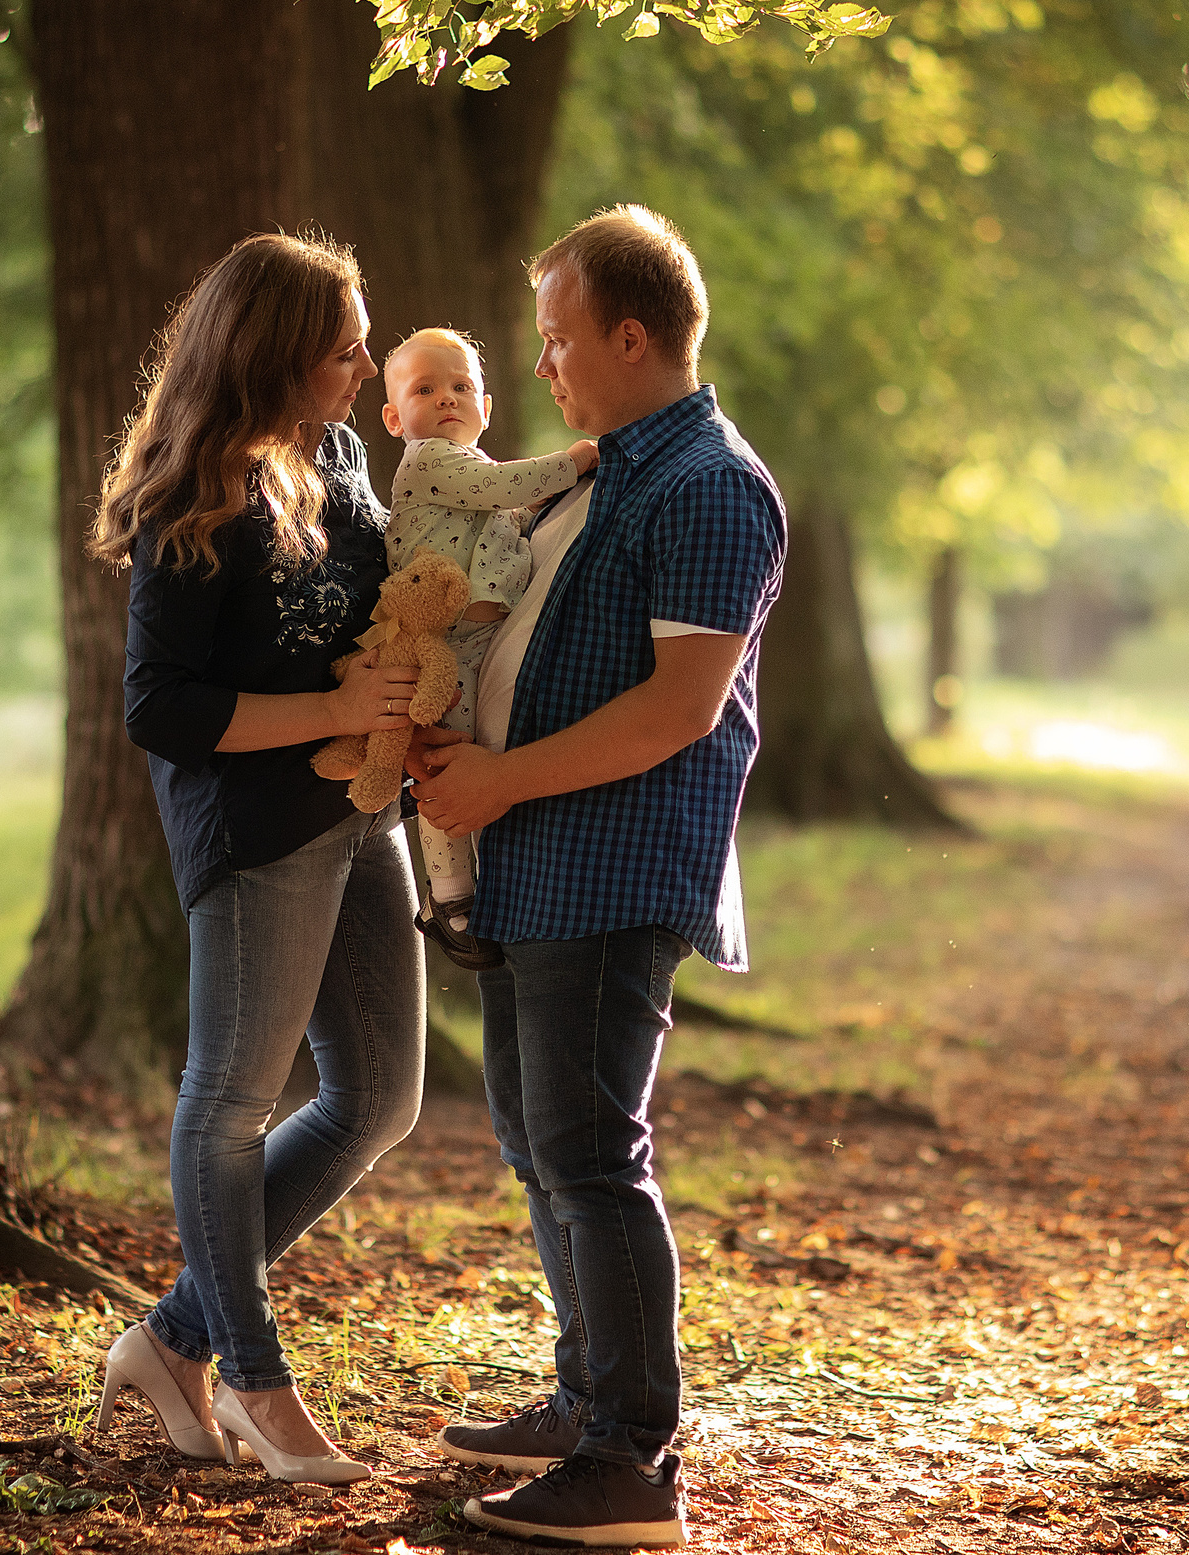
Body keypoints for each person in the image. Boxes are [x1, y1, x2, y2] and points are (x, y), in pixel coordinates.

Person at [410, 206, 787, 1548]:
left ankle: (632, 1458)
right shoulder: (612, 469)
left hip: (611, 869)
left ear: (635, 338)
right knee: (536, 1134)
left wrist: (503, 777)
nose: (547, 364)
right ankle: (585, 1401)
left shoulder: (708, 486)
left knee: (588, 1144)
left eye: (562, 340)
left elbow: (681, 707)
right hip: (533, 858)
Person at [86, 230, 424, 1487]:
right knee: (231, 1100)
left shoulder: (334, 451)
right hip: (255, 838)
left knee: (378, 1097)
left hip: (357, 818)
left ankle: (172, 1341)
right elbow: (159, 708)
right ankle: (254, 1379)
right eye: (344, 346)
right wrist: (336, 713)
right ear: (277, 355)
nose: (364, 361)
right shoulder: (195, 492)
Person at [376, 326, 598, 968]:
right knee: (443, 760)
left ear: (486, 406)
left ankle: (484, 879)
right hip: (437, 641)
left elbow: (510, 514)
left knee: (470, 749)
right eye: (425, 390)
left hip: (478, 641)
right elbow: (509, 490)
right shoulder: (428, 462)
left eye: (461, 386)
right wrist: (577, 459)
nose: (447, 399)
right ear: (395, 418)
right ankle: (449, 896)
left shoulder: (481, 474)